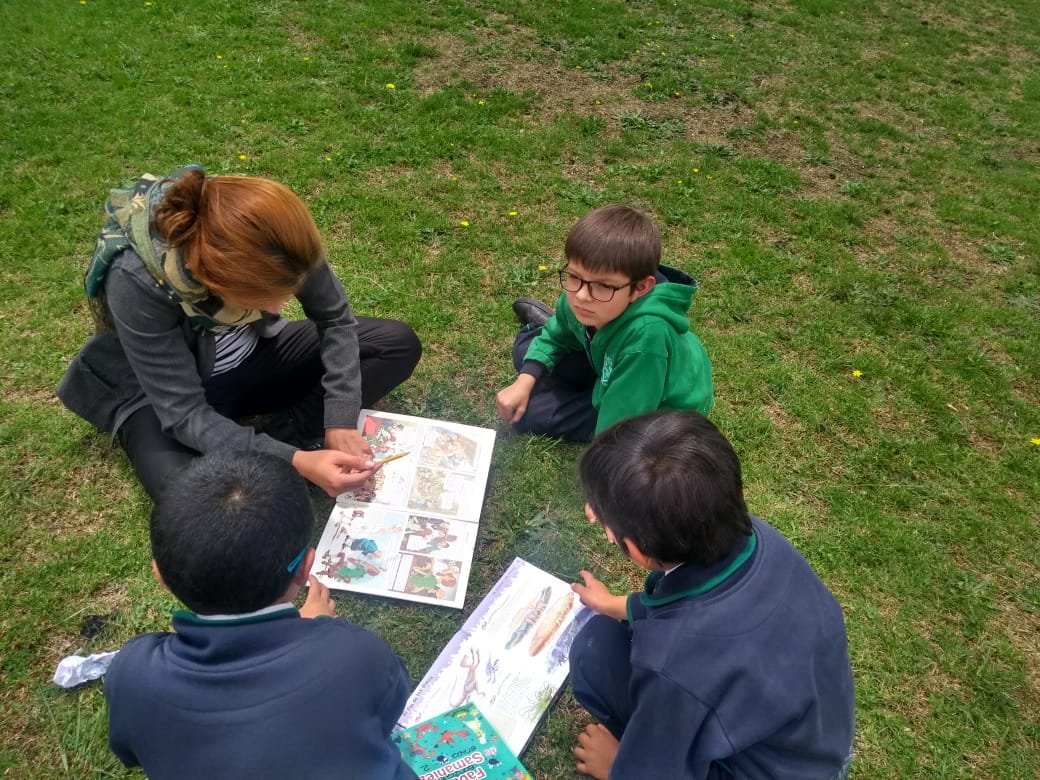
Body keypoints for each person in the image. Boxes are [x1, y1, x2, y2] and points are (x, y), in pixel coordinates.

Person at [57, 164, 421, 501]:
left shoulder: (278, 235)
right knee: (188, 498)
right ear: (215, 282)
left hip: (256, 358)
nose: (278, 309)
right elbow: (185, 414)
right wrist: (295, 461)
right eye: (263, 300)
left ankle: (286, 434)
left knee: (394, 344)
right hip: (162, 398)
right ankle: (276, 452)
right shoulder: (135, 279)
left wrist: (339, 417)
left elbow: (336, 320)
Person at [568, 411, 855, 780]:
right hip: (813, 748)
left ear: (635, 550)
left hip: (752, 769)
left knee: (597, 651)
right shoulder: (760, 539)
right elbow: (677, 607)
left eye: (603, 519)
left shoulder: (670, 663)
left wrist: (616, 766)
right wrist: (612, 604)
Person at [103, 451, 417, 780]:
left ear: (159, 576)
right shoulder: (355, 653)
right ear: (305, 569)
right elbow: (389, 707)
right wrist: (317, 631)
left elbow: (129, 750)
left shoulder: (132, 674)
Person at [495, 204, 712, 442]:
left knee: (532, 414)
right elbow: (554, 337)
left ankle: (589, 373)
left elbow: (620, 428)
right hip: (610, 361)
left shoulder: (647, 338)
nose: (582, 296)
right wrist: (524, 382)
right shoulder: (585, 296)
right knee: (526, 348)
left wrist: (600, 463)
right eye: (575, 276)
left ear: (640, 288)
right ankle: (577, 338)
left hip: (654, 409)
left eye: (604, 286)